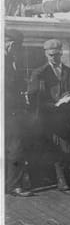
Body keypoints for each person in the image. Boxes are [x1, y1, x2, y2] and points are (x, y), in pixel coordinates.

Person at [29, 39, 70, 191]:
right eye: (50, 55)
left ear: (61, 53)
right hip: (51, 117)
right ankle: (61, 179)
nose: (53, 58)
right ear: (45, 54)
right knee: (58, 148)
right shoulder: (39, 73)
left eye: (56, 55)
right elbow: (34, 97)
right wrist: (51, 106)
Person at [4, 28, 33, 197]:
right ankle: (13, 185)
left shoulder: (10, 61)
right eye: (18, 48)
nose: (18, 51)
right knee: (16, 148)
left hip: (9, 111)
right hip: (9, 112)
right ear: (12, 45)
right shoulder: (6, 61)